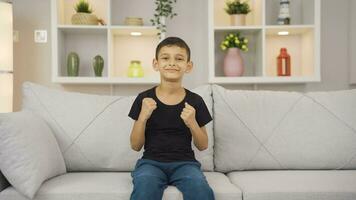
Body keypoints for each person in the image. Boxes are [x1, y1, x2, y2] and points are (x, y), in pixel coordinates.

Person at [128, 37, 215, 200]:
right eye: (165, 58)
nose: (172, 63)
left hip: (186, 164)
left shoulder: (195, 101)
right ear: (156, 64)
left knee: (201, 191)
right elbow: (135, 145)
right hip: (150, 163)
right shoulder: (143, 99)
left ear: (188, 66)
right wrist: (142, 117)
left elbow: (203, 145)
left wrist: (192, 123)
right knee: (144, 188)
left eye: (179, 58)